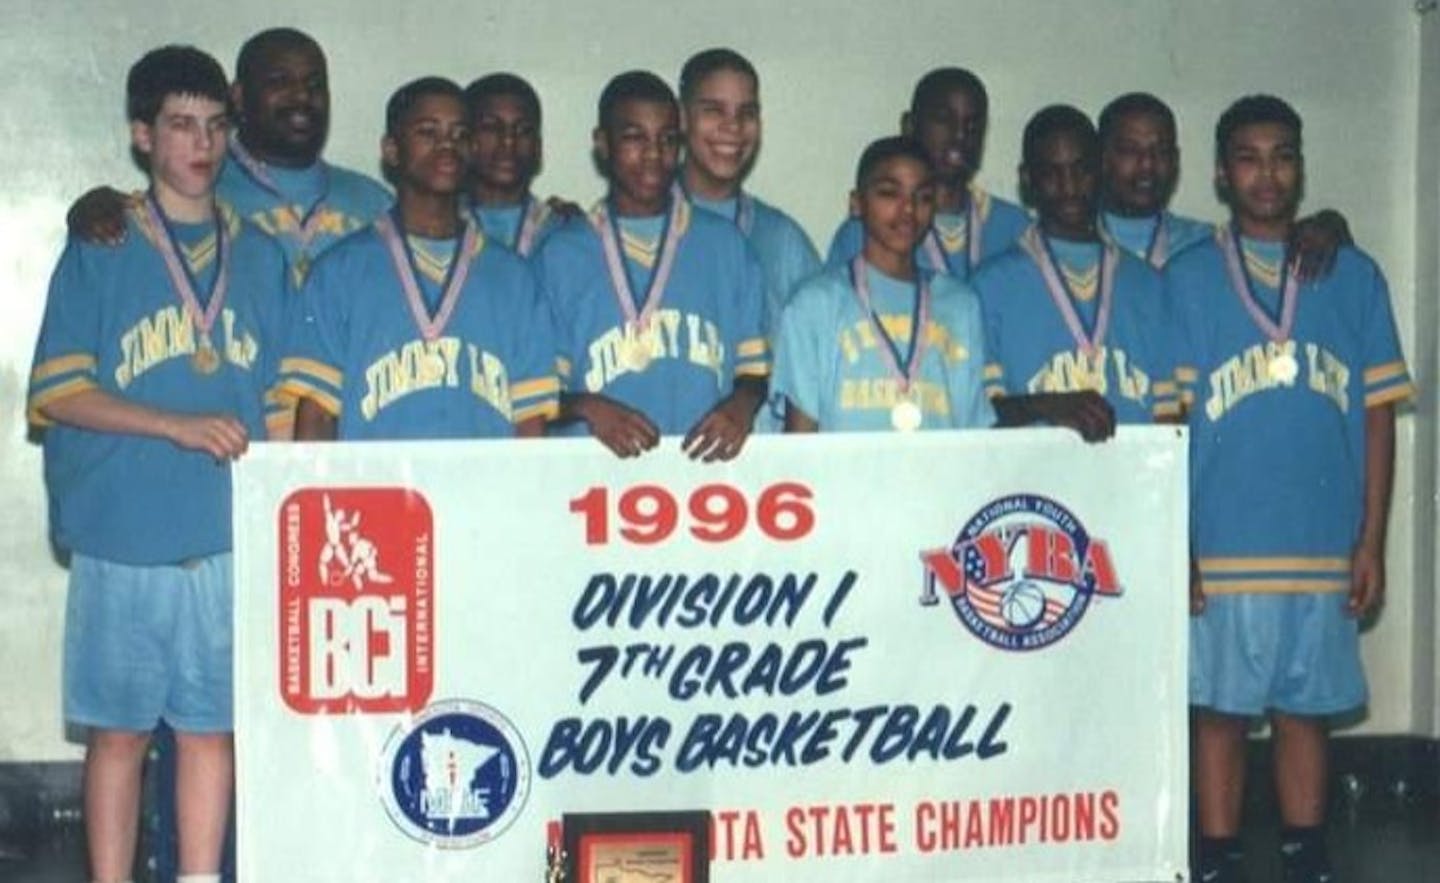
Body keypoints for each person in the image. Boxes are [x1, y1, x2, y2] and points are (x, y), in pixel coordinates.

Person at [26, 45, 287, 883]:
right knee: (119, 733)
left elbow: (281, 399)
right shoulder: (102, 243)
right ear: (143, 136)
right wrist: (172, 424)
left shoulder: (262, 254)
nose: (200, 144)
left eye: (215, 126)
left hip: (223, 531)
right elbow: (59, 391)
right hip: (125, 529)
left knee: (213, 728)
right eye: (180, 125)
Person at [1170, 95, 1412, 883]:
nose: (1266, 173)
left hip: (1319, 544)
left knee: (1306, 711)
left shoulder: (1355, 273)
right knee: (1220, 715)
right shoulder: (1188, 278)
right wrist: (1178, 542)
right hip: (1223, 543)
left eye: (1282, 155)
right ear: (1219, 171)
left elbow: (1378, 419)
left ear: (1301, 168)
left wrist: (1371, 540)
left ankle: (1309, 857)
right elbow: (1169, 425)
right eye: (1248, 155)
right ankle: (1216, 860)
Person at [281, 77, 557, 440]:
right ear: (392, 150)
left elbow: (529, 422)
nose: (447, 147)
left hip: (486, 493)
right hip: (377, 494)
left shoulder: (513, 277)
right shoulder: (340, 271)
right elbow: (316, 418)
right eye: (428, 132)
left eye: (460, 135)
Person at [535, 71, 769, 461]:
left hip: (704, 477)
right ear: (602, 144)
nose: (653, 154)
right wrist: (590, 408)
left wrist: (740, 407)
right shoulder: (560, 254)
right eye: (634, 138)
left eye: (667, 139)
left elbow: (755, 372)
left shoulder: (726, 246)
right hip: (593, 486)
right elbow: (532, 395)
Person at [66, 28, 392, 284]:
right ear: (237, 96)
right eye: (280, 82)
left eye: (315, 83)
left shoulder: (375, 202)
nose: (302, 96)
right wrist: (98, 207)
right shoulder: (198, 187)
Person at [973, 105, 1175, 439]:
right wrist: (1048, 406)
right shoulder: (990, 285)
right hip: (1033, 485)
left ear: (1103, 170)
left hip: (1132, 485)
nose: (1069, 186)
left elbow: (1171, 419)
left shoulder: (1148, 283)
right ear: (1027, 179)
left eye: (1081, 171)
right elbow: (978, 414)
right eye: (1052, 173)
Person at [773, 136, 991, 432]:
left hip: (939, 478)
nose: (909, 210)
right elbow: (800, 437)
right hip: (843, 479)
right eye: (889, 194)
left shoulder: (961, 305)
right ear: (857, 204)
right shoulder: (814, 304)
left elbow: (973, 433)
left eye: (923, 197)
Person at [677, 48, 821, 431]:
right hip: (666, 465)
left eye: (747, 112)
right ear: (681, 118)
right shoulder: (639, 230)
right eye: (713, 110)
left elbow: (818, 367)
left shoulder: (784, 241)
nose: (733, 127)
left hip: (766, 471)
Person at [1098, 91, 1350, 276]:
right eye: (1130, 151)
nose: (1147, 165)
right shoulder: (1075, 242)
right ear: (1101, 158)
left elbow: (1278, 237)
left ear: (1176, 160)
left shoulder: (1207, 241)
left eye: (1161, 151)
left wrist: (1329, 225)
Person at [825, 67, 1029, 280]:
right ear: (909, 125)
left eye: (973, 124)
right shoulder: (867, 230)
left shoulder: (1015, 228)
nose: (959, 135)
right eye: (944, 119)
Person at [462, 72, 569, 256]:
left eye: (523, 130)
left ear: (538, 147)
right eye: (491, 128)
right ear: (464, 140)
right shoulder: (437, 227)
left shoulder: (563, 230)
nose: (508, 141)